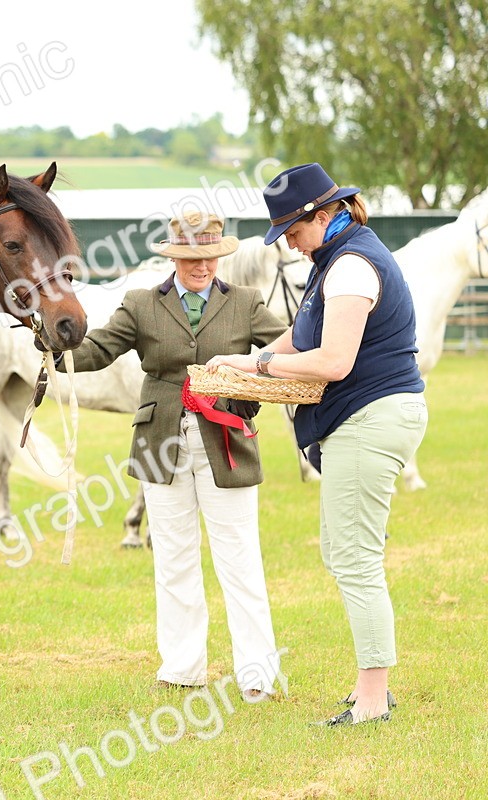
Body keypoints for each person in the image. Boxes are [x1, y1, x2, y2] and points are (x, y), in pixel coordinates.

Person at [206, 163, 428, 726]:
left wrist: (259, 364)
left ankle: (374, 701)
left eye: (294, 232)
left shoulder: (350, 266)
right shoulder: (339, 256)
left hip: (370, 417)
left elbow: (332, 361)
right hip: (369, 417)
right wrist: (247, 357)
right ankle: (368, 688)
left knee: (354, 558)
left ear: (322, 216)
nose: (293, 245)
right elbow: (301, 335)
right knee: (344, 551)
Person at [60, 212, 287, 700]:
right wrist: (51, 345)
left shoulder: (246, 303)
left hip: (226, 443)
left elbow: (285, 352)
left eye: (207, 256)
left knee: (239, 559)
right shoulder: (141, 303)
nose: (200, 266)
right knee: (174, 557)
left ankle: (257, 675)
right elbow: (98, 349)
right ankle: (183, 666)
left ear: (218, 256)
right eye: (190, 257)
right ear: (174, 258)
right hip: (159, 443)